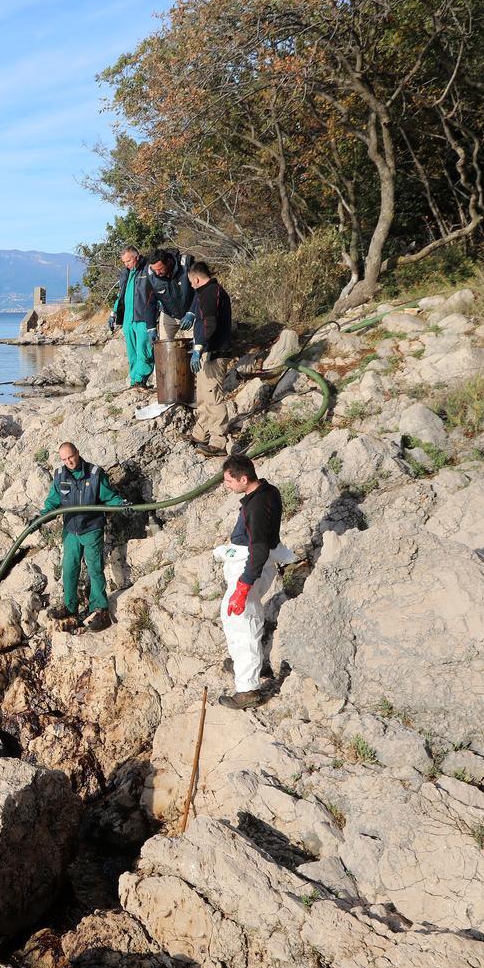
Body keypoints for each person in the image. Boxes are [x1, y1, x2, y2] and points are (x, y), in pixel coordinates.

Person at [213, 455, 292, 709]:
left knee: (242, 621)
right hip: (259, 564)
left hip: (250, 567)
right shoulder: (269, 490)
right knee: (240, 618)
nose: (225, 485)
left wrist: (242, 587)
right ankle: (245, 663)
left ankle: (248, 690)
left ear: (243, 479)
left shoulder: (256, 508)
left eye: (228, 480)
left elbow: (257, 549)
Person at [40, 441, 127, 632]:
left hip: (92, 529)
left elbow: (108, 496)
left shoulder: (95, 474)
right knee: (69, 569)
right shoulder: (60, 475)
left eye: (70, 457)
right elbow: (53, 501)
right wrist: (41, 516)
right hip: (71, 531)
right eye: (64, 459)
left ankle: (100, 609)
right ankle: (70, 607)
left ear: (77, 453)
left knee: (95, 569)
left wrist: (121, 503)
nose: (68, 462)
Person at [186, 261, 237, 454]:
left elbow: (209, 323)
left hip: (214, 352)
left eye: (191, 282)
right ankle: (201, 433)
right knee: (202, 395)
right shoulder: (205, 292)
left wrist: (198, 348)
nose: (191, 286)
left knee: (213, 396)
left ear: (197, 279)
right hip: (207, 352)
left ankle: (218, 440)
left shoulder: (211, 293)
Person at [134, 247, 194, 368]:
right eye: (154, 270)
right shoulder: (152, 275)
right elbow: (150, 302)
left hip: (190, 313)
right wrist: (151, 328)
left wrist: (192, 312)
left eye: (160, 269)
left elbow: (200, 292)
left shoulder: (186, 265)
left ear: (168, 262)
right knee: (163, 352)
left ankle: (195, 382)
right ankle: (162, 384)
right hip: (168, 315)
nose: (157, 273)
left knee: (194, 349)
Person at [107, 246, 152, 389]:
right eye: (124, 262)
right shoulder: (126, 273)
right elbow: (120, 294)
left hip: (143, 317)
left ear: (136, 257)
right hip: (128, 318)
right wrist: (114, 313)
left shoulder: (147, 269)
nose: (126, 264)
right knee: (132, 353)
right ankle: (134, 381)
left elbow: (156, 291)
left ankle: (141, 380)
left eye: (128, 261)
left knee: (144, 351)